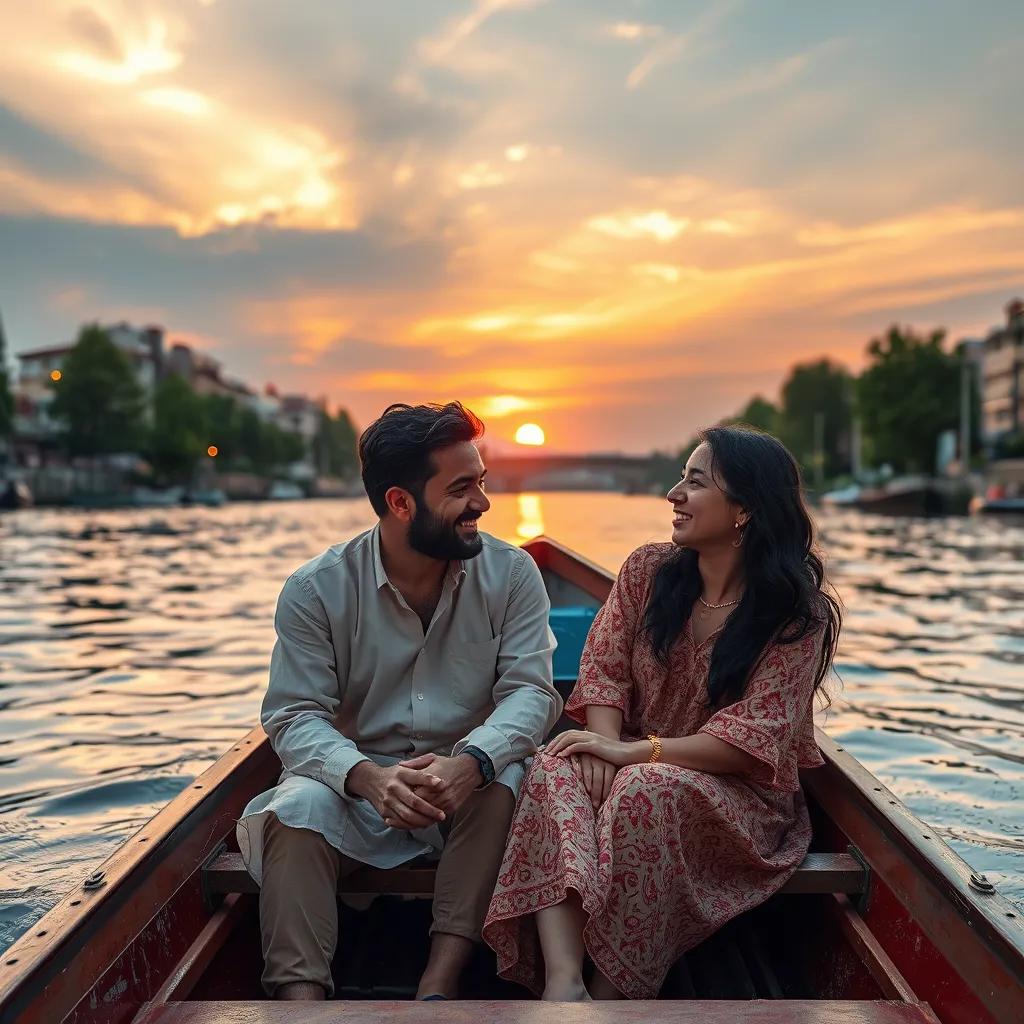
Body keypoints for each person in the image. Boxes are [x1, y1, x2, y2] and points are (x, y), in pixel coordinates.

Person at [483, 425, 841, 1001]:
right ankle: (564, 984)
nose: (673, 494)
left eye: (694, 483)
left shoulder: (796, 616)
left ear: (744, 509)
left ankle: (614, 991)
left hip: (736, 796)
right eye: (680, 479)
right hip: (630, 758)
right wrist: (601, 746)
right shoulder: (648, 571)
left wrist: (631, 754)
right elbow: (603, 672)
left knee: (647, 790)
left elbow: (752, 738)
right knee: (554, 765)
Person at [237, 401, 562, 1001]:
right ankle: (299, 1006)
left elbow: (532, 695)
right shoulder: (316, 589)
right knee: (295, 807)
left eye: (481, 483)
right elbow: (293, 714)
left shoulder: (513, 575)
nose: (483, 504)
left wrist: (470, 763)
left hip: (466, 790)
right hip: (357, 792)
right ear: (400, 502)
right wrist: (365, 777)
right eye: (461, 488)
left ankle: (436, 988)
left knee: (508, 776)